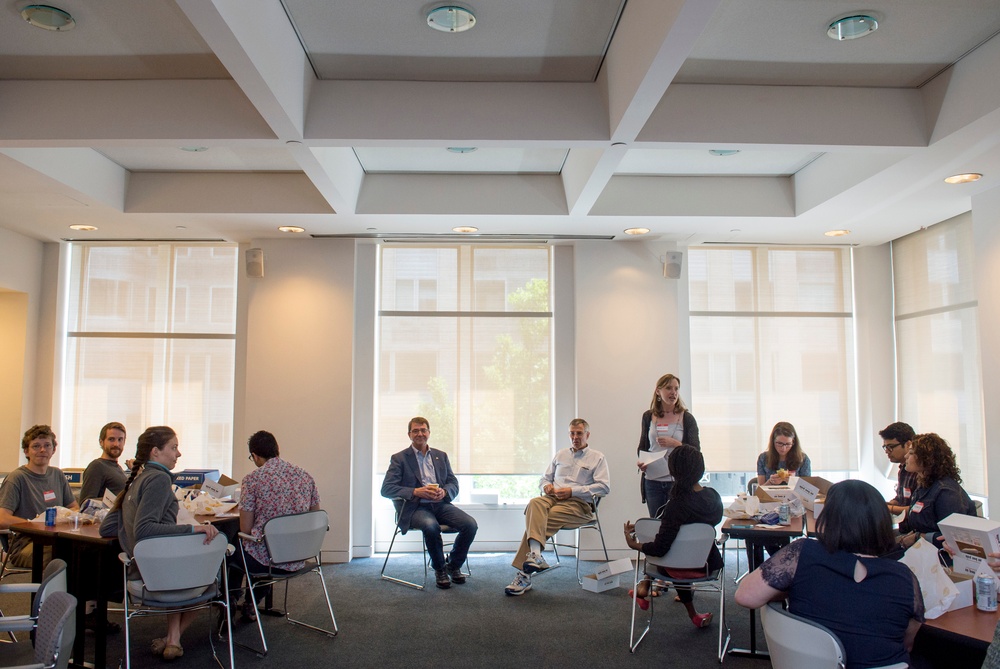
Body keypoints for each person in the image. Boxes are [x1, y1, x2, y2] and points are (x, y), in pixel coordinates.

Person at [735, 480, 925, 669]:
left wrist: (790, 589)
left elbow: (745, 596)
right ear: (881, 523)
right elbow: (907, 644)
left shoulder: (803, 553)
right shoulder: (905, 578)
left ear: (828, 518)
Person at [99, 426, 219, 661]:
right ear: (155, 451)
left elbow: (107, 527)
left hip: (141, 572)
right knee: (214, 575)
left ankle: (172, 639)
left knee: (179, 562)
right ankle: (172, 638)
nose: (178, 454)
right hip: (156, 577)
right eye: (173, 448)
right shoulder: (158, 480)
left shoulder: (138, 479)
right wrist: (195, 528)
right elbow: (145, 529)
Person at [505, 418, 611, 596]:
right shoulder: (561, 454)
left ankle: (525, 573)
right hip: (552, 498)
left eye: (579, 433)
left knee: (539, 520)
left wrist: (573, 491)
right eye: (572, 433)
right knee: (534, 503)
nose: (575, 437)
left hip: (579, 505)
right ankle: (536, 557)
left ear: (587, 435)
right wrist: (546, 486)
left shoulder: (597, 457)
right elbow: (544, 478)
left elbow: (604, 487)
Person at [623, 445, 721, 628]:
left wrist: (633, 544)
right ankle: (692, 615)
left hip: (673, 567)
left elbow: (660, 548)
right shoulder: (714, 497)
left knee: (670, 553)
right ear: (701, 468)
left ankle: (643, 588)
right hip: (706, 564)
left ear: (673, 471)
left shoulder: (676, 504)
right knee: (677, 549)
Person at [380, 417, 478, 590]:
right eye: (416, 431)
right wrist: (415, 491)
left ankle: (453, 565)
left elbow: (453, 483)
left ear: (429, 433)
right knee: (431, 527)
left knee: (470, 524)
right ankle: (439, 568)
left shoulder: (441, 456)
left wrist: (445, 492)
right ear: (409, 434)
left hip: (440, 505)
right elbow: (386, 489)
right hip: (415, 507)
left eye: (423, 430)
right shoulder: (399, 458)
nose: (420, 433)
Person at [235, 430, 320, 620]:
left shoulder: (252, 480)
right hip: (300, 554)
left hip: (270, 560)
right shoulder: (305, 476)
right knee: (265, 545)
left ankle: (229, 607)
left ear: (255, 456)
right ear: (277, 450)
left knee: (233, 547)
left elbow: (246, 529)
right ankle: (252, 603)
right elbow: (315, 518)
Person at [0, 425, 79, 568]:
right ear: (26, 451)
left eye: (47, 445)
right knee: (64, 555)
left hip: (58, 538)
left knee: (86, 550)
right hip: (26, 544)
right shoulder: (17, 478)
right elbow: (2, 518)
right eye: (36, 446)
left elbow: (74, 507)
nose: (42, 450)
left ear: (53, 450)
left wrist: (64, 518)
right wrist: (36, 525)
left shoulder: (58, 475)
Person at [897, 432, 976, 549]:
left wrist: (917, 537)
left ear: (927, 459)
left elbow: (954, 538)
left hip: (942, 555)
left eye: (911, 453)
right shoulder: (924, 485)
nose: (906, 456)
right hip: (923, 550)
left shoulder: (946, 492)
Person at [637, 374, 700, 517]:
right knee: (656, 525)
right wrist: (642, 461)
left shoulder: (687, 418)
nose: (673, 392)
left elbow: (696, 452)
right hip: (652, 481)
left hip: (677, 482)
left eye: (676, 389)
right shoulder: (648, 416)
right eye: (669, 388)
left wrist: (676, 444)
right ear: (658, 391)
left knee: (676, 524)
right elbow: (643, 446)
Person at [79, 421, 128, 502]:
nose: (116, 444)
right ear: (101, 442)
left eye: (120, 439)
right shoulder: (97, 466)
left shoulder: (118, 468)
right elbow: (85, 503)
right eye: (111, 439)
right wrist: (115, 502)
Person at [879, 421, 917, 515]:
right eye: (885, 447)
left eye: (890, 447)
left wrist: (889, 508)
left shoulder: (919, 472)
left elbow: (917, 509)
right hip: (904, 527)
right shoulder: (902, 469)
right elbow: (901, 499)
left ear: (908, 444)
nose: (887, 451)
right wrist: (882, 505)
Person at [756, 421, 811, 486]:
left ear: (793, 442)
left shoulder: (803, 459)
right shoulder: (763, 458)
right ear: (773, 441)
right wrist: (770, 482)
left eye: (788, 444)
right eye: (779, 443)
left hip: (794, 496)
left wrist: (794, 482)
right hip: (769, 496)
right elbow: (760, 492)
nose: (783, 448)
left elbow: (808, 492)